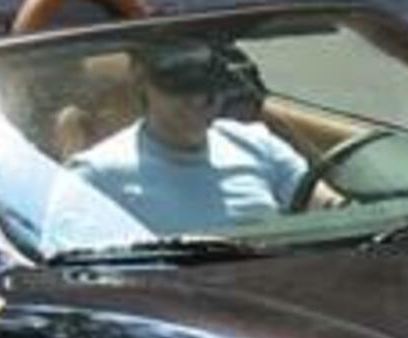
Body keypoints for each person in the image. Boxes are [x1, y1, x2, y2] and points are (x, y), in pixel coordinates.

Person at [69, 40, 307, 234]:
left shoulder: (258, 144)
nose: (197, 100)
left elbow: (330, 208)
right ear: (143, 82)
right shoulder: (97, 174)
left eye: (208, 86)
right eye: (179, 86)